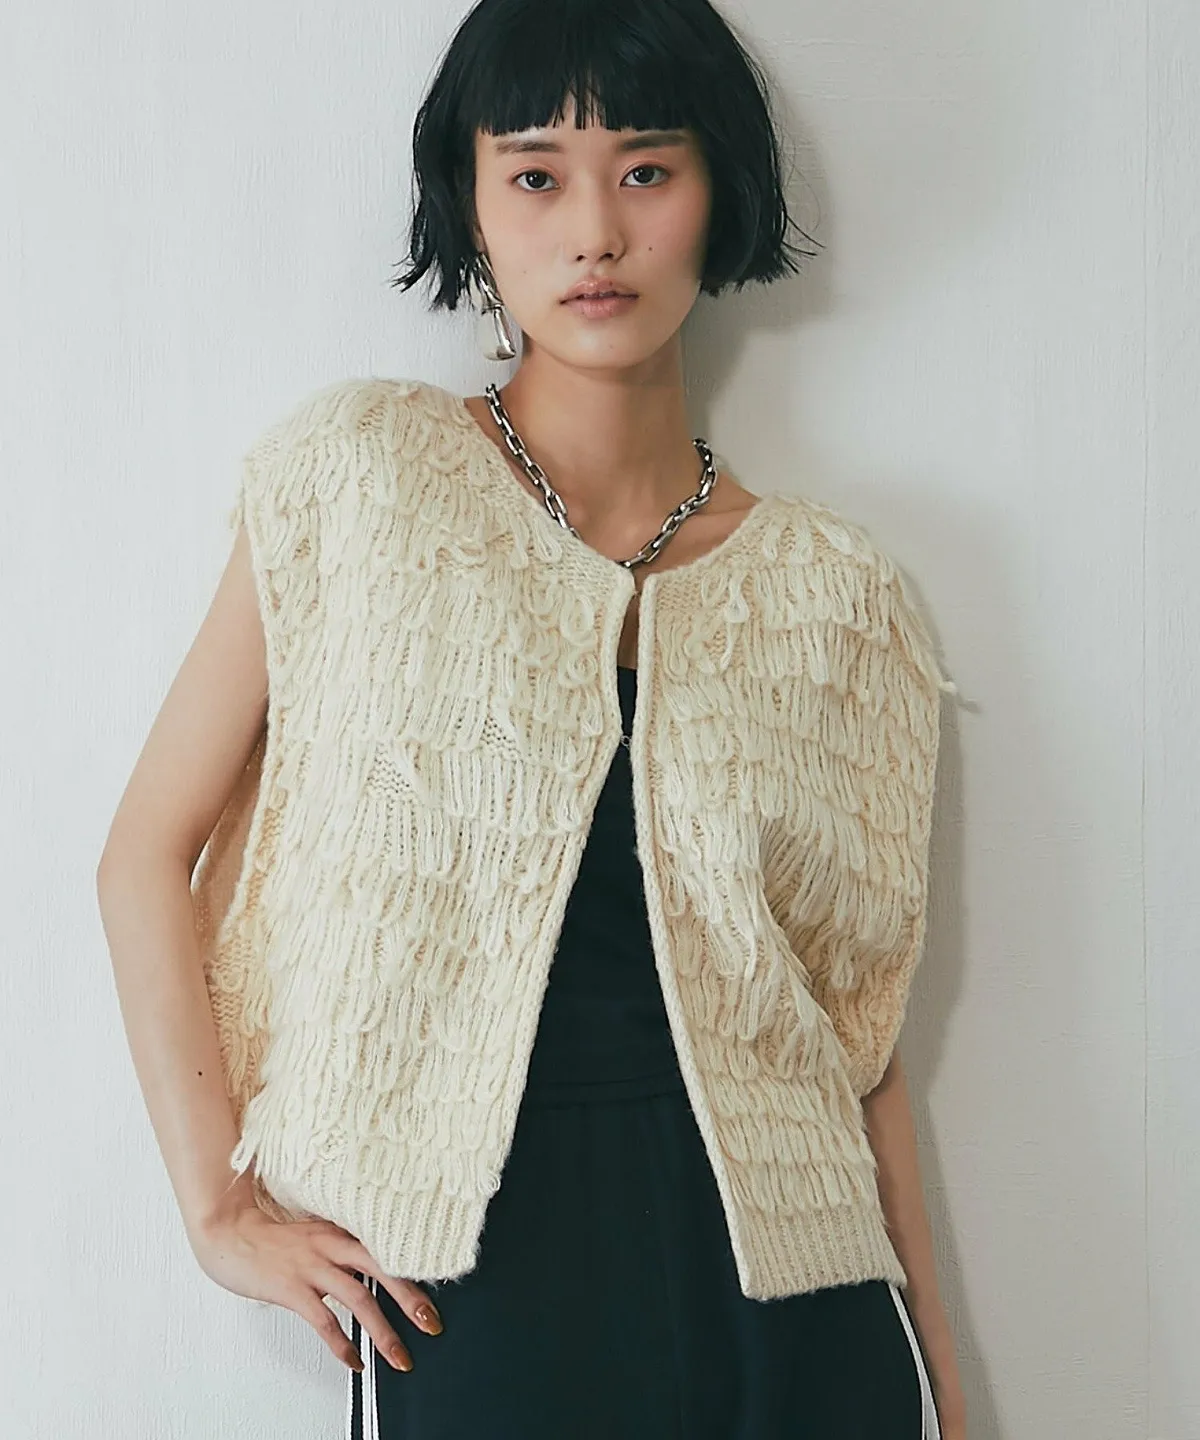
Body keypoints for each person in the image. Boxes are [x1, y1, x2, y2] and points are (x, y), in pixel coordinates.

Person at [96, 0, 968, 1436]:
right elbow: (143, 851)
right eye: (537, 174)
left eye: (647, 169)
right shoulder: (360, 476)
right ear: (472, 204)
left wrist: (946, 1380)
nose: (595, 233)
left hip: (802, 1305)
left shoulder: (838, 591)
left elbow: (859, 1039)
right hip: (469, 1289)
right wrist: (216, 1208)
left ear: (720, 192)